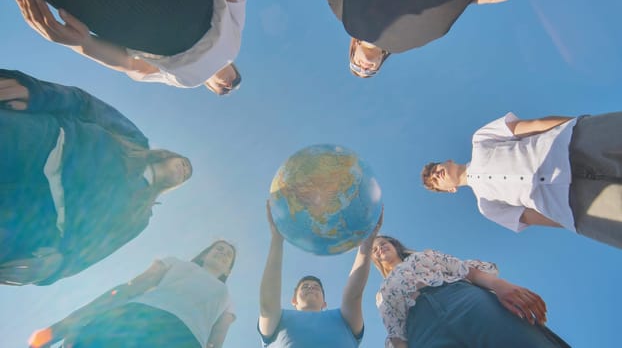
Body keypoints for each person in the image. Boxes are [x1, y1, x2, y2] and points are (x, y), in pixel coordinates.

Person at [0, 69, 192, 286]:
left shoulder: (140, 216)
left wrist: (59, 266)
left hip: (36, 221)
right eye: (184, 164)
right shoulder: (136, 140)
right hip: (43, 144)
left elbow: (98, 249)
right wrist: (38, 93)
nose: (184, 171)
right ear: (170, 156)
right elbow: (86, 105)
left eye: (186, 175)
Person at [421, 111, 622, 249]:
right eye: (434, 181)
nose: (436, 174)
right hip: (575, 203)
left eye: (435, 169)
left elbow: (533, 126)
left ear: (448, 161)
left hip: (572, 145)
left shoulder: (480, 139)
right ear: (450, 190)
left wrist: (578, 126)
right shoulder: (486, 207)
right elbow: (530, 217)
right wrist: (572, 219)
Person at [28, 240, 237, 348]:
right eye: (218, 248)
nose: (223, 254)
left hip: (186, 340)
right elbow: (130, 287)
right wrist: (68, 325)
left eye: (228, 255)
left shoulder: (226, 297)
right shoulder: (176, 263)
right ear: (204, 254)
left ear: (228, 271)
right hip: (138, 318)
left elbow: (216, 342)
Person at [371, 235, 570, 348]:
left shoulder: (424, 255)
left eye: (382, 244)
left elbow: (464, 270)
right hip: (421, 332)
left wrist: (500, 286)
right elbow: (395, 330)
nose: (380, 249)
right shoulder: (382, 293)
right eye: (375, 250)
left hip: (462, 300)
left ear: (394, 245)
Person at [15, 0, 245, 95]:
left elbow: (133, 66)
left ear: (209, 88)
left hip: (130, 26)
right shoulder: (232, 44)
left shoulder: (184, 80)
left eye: (225, 90)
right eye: (235, 80)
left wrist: (83, 44)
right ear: (234, 66)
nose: (228, 84)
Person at [258, 202, 383, 347]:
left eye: (316, 287)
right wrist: (276, 240)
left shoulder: (342, 318)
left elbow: (354, 295)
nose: (311, 287)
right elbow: (267, 303)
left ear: (324, 303)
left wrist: (367, 244)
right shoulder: (279, 319)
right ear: (293, 300)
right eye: (305, 286)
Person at [326, 0, 508, 78]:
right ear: (382, 59)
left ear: (353, 49)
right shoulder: (406, 42)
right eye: (369, 72)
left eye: (356, 66)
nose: (365, 68)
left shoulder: (343, 13)